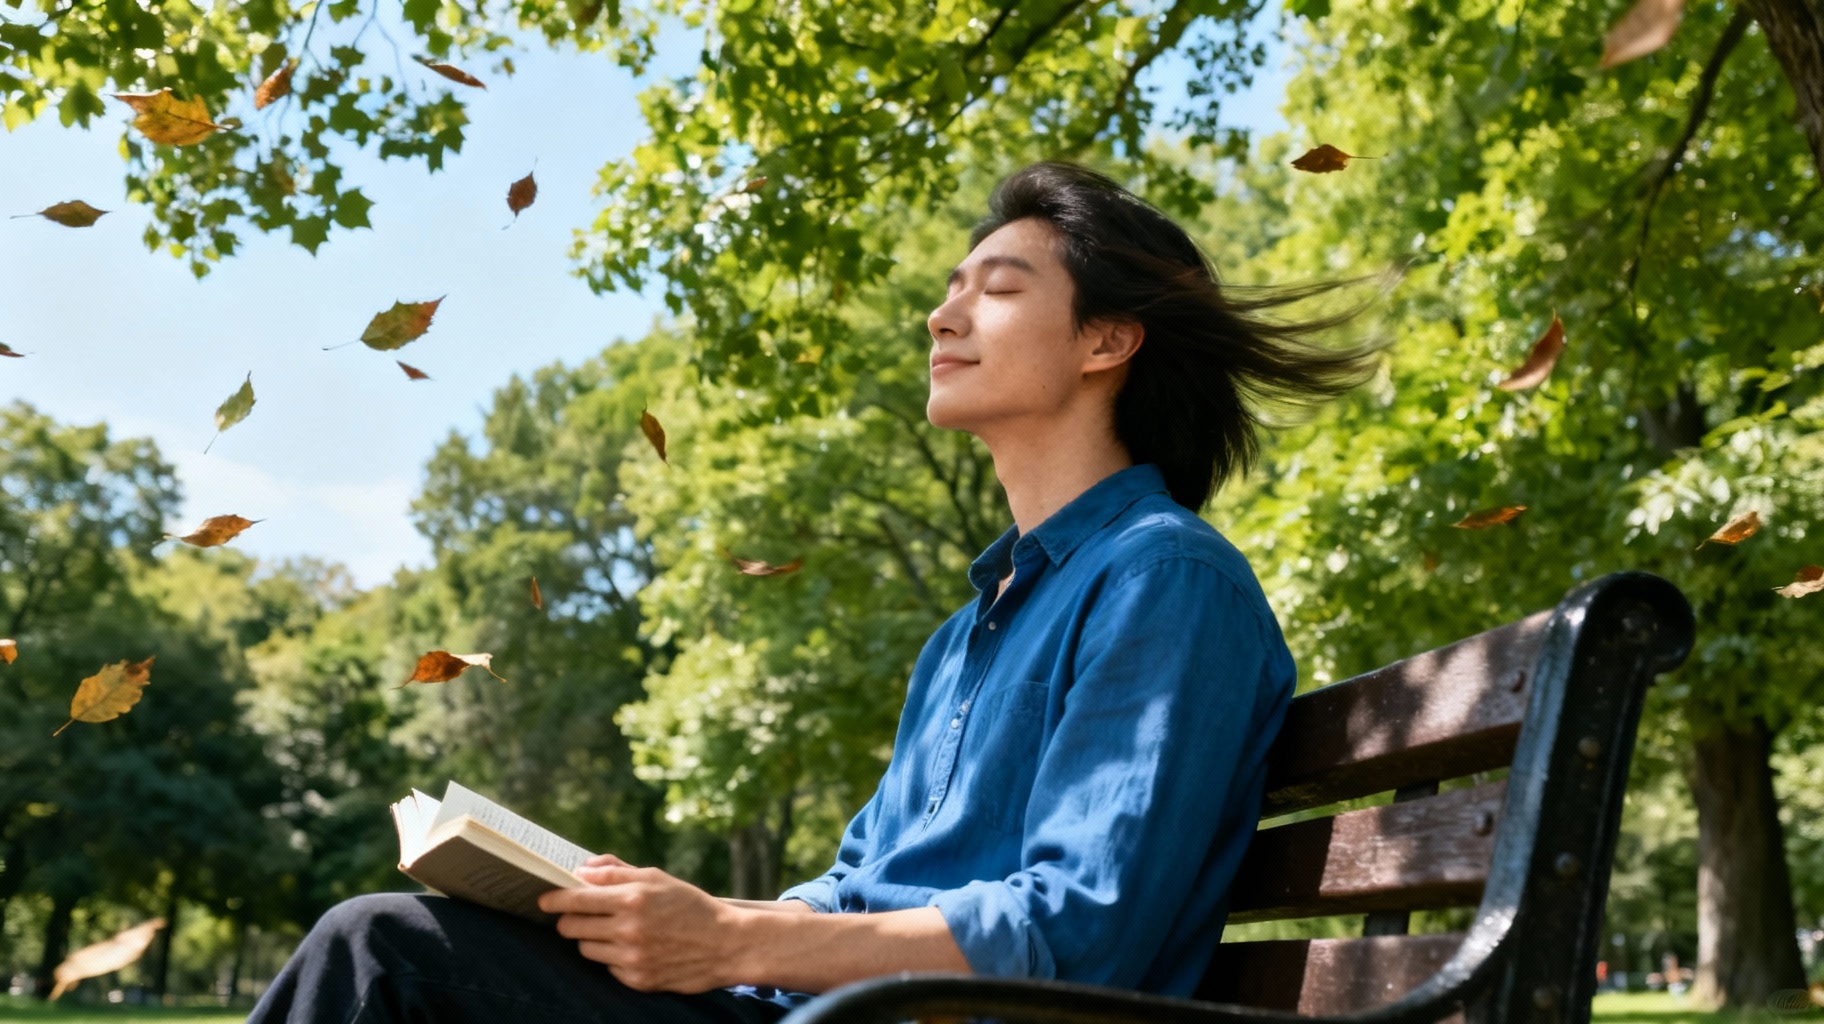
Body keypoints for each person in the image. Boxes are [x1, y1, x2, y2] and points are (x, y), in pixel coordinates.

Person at [247, 161, 1382, 1024]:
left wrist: (730, 939)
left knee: (383, 956)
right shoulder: (968, 634)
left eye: (997, 289)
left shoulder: (1164, 580)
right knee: (405, 941)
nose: (943, 316)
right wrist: (669, 915)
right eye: (950, 288)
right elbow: (856, 886)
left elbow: (1079, 931)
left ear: (1108, 340)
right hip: (808, 1011)